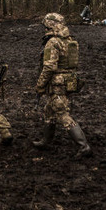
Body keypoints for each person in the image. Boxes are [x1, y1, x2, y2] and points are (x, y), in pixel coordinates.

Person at [32, 13, 92, 158]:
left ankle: (83, 146)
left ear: (50, 25)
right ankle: (46, 141)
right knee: (49, 110)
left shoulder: (53, 42)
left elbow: (49, 67)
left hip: (57, 82)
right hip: (68, 80)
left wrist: (40, 85)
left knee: (62, 113)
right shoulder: (70, 40)